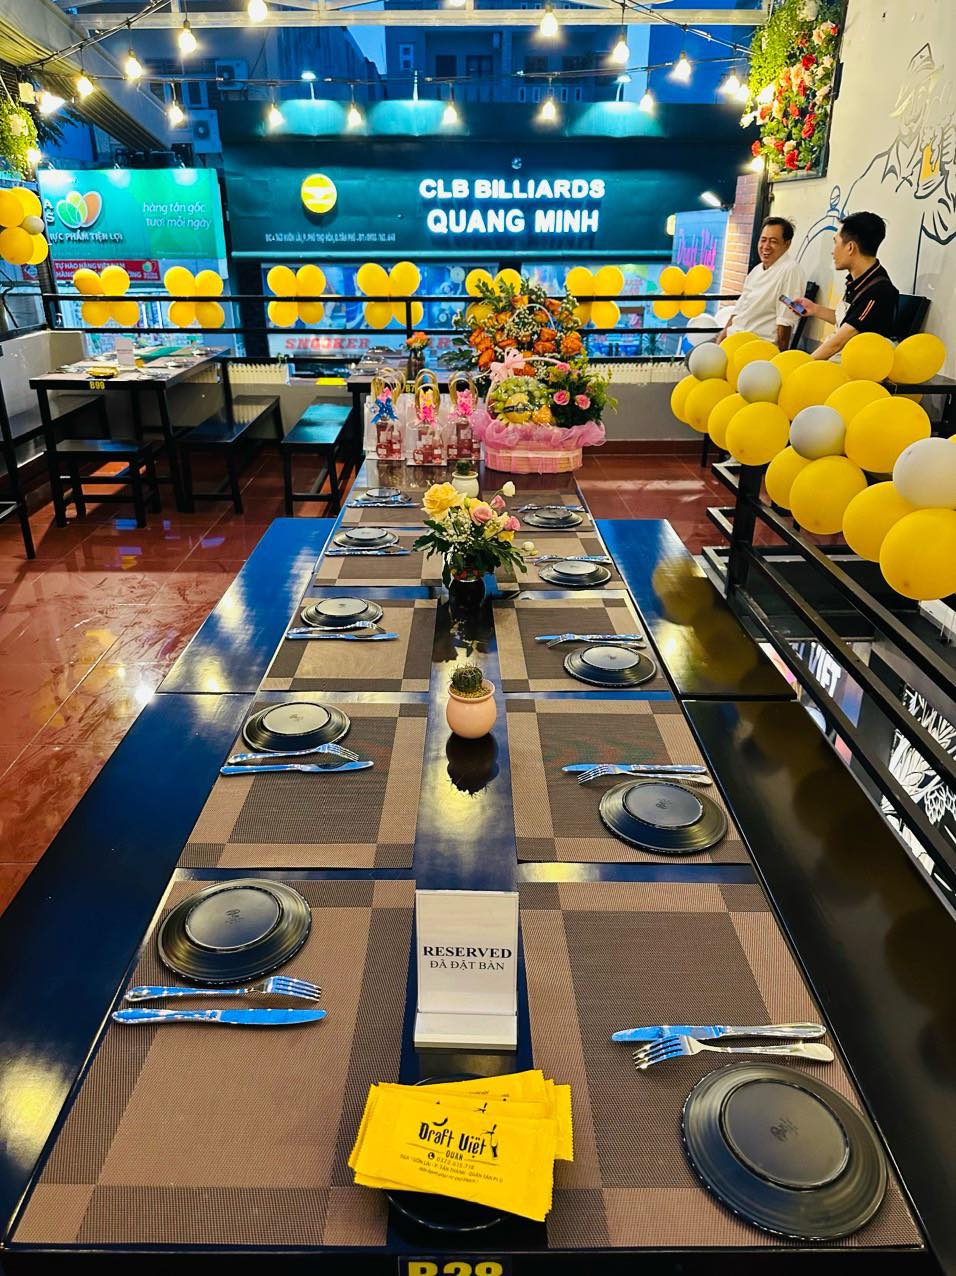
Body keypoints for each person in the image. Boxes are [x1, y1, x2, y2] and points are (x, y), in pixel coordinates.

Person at [795, 211, 899, 360]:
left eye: (835, 242)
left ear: (850, 247)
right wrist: (815, 309)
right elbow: (850, 320)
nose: (832, 251)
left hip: (852, 366)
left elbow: (837, 343)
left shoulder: (879, 291)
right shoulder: (858, 280)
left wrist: (803, 365)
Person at [718, 216, 806, 351]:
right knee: (695, 354)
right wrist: (721, 338)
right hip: (734, 339)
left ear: (787, 244)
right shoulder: (757, 270)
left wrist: (779, 359)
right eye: (763, 240)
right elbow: (738, 310)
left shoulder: (791, 271)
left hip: (756, 347)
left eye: (773, 241)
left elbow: (785, 321)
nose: (766, 246)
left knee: (697, 358)